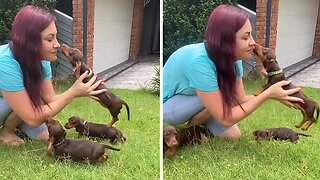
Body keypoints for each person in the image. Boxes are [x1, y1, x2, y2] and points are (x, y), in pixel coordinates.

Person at [163, 4, 303, 139]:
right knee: (225, 98)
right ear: (226, 41)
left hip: (199, 100)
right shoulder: (199, 62)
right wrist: (266, 94)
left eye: (251, 35)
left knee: (233, 136)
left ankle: (197, 124)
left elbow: (239, 99)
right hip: (169, 107)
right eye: (245, 37)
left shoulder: (235, 59)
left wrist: (274, 95)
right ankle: (189, 130)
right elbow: (226, 118)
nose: (252, 42)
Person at [0, 5, 105, 145]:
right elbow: (33, 118)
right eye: (49, 39)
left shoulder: (42, 60)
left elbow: (51, 99)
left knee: (44, 136)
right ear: (29, 42)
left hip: (12, 103)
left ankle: (16, 123)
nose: (57, 45)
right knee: (33, 104)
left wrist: (81, 91)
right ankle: (6, 131)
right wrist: (72, 93)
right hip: (5, 102)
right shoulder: (6, 62)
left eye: (56, 37)